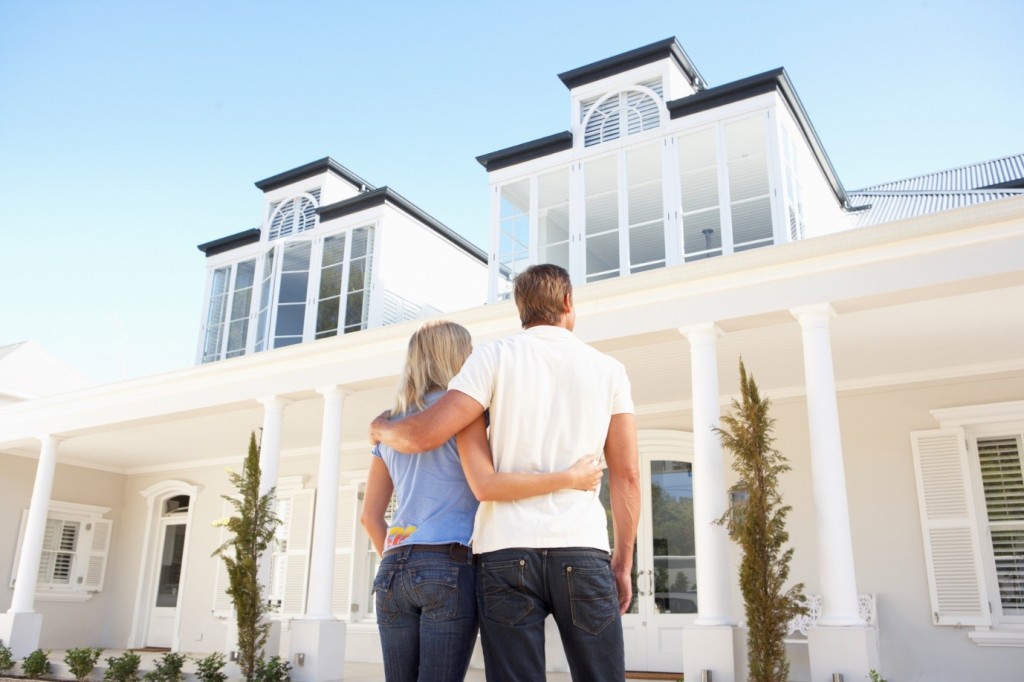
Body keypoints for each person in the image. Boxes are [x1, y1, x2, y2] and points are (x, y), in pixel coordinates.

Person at [370, 264, 640, 682]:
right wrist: (623, 562)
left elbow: (426, 434)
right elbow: (627, 476)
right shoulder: (610, 370)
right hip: (582, 545)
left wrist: (381, 427)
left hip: (505, 552)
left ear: (520, 309)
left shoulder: (492, 358)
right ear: (568, 303)